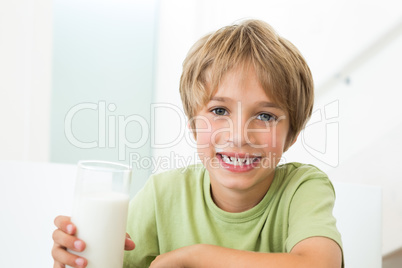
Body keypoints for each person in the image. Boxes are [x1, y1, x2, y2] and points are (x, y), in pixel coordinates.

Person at [52, 19, 343, 268]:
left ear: (291, 134)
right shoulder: (163, 195)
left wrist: (196, 256)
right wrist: (76, 259)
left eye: (265, 115)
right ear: (193, 124)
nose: (239, 135)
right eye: (219, 111)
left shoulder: (303, 188)